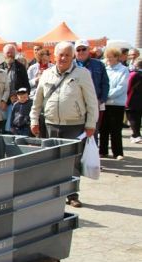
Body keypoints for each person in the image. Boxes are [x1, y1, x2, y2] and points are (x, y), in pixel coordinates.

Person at [30, 41, 99, 208]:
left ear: (73, 56)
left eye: (68, 54)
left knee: (72, 162)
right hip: (50, 124)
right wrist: (33, 119)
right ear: (54, 56)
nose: (64, 58)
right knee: (52, 160)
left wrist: (91, 124)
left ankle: (72, 194)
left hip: (75, 125)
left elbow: (91, 101)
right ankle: (54, 193)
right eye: (60, 54)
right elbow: (37, 100)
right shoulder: (46, 74)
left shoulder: (82, 74)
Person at [75, 39, 109, 146]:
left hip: (94, 104)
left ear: (88, 50)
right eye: (78, 49)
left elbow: (105, 84)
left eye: (83, 49)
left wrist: (101, 100)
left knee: (92, 131)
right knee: (77, 132)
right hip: (76, 105)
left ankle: (92, 158)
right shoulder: (71, 65)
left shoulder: (99, 65)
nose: (81, 52)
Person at [99, 47, 129, 160]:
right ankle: (103, 151)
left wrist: (105, 95)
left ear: (117, 57)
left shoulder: (123, 70)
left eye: (111, 57)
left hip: (116, 104)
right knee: (103, 129)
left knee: (115, 129)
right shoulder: (105, 69)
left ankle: (118, 152)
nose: (109, 59)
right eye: (107, 57)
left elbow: (121, 87)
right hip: (104, 104)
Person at [126, 57, 142, 144]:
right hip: (139, 100)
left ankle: (136, 135)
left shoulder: (133, 75)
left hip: (132, 100)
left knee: (132, 118)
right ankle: (137, 134)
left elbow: (128, 87)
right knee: (138, 118)